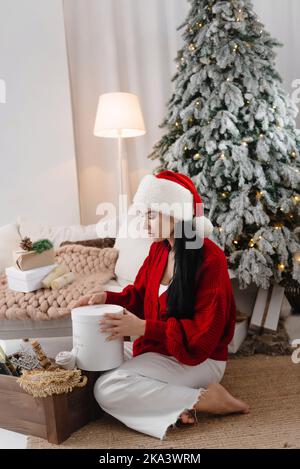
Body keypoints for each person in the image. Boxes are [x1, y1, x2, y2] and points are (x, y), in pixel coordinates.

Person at [72, 170, 250, 440]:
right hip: (160, 348)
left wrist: (144, 328)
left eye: (151, 214)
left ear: (176, 213)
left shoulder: (210, 260)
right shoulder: (159, 250)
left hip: (199, 358)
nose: (145, 223)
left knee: (106, 390)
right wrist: (106, 298)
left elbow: (203, 336)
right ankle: (179, 405)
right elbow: (139, 296)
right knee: (96, 369)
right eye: (144, 214)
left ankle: (205, 399)